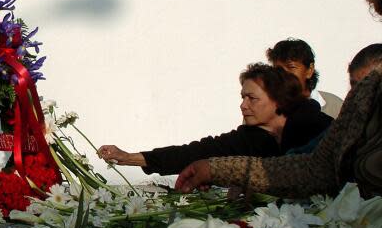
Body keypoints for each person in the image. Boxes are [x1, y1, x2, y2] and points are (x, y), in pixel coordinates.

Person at [176, 0, 382, 198]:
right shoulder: (366, 95)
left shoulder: (320, 114)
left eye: (251, 97)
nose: (245, 105)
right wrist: (217, 170)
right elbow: (316, 166)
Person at [97, 63, 332, 176]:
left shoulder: (317, 128)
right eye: (242, 97)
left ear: (278, 100)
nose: (243, 105)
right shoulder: (251, 137)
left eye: (251, 98)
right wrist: (128, 157)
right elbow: (196, 152)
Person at [266, 38, 343, 118]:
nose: (283, 74)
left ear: (310, 70)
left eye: (291, 67)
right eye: (278, 69)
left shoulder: (336, 107)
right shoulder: (266, 107)